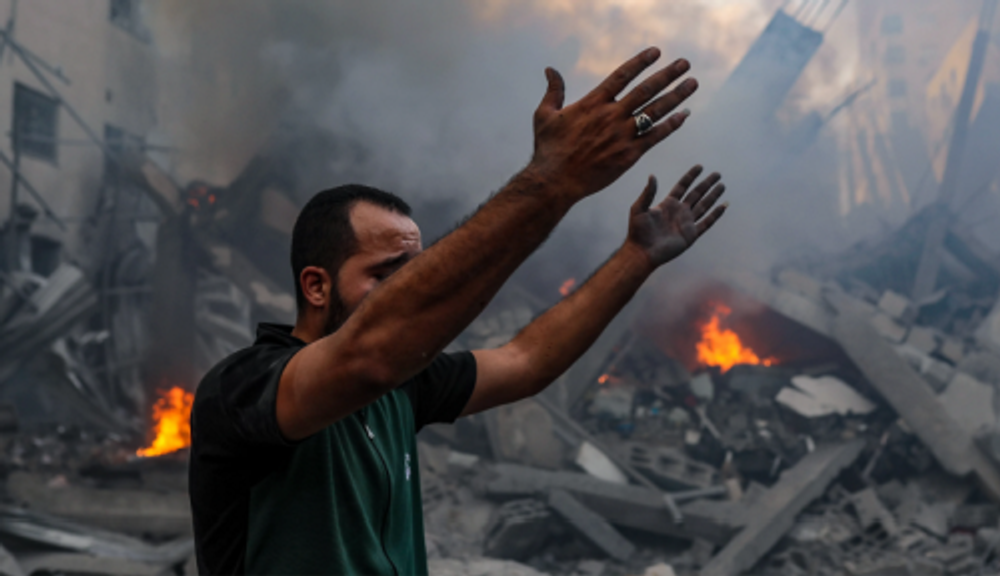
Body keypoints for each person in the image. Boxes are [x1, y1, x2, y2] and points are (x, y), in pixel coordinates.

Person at [189, 47, 728, 575]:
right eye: (385, 276)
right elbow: (364, 359)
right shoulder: (242, 389)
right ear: (316, 287)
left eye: (417, 272)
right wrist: (552, 183)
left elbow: (526, 360)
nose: (413, 294)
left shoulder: (402, 390)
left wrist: (635, 260)